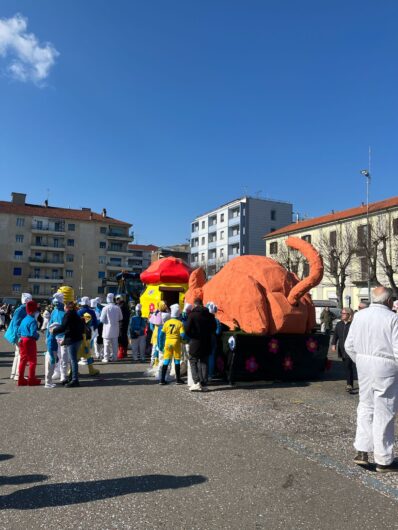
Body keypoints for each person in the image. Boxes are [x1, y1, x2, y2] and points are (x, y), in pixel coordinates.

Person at [345, 286, 398, 473]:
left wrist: (360, 361)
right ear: (389, 301)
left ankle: (362, 451)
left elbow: (348, 345)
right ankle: (383, 459)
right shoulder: (393, 318)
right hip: (386, 366)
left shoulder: (359, 316)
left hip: (363, 365)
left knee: (365, 407)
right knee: (384, 410)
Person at [185, 298, 217, 392]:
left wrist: (193, 336)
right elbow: (214, 328)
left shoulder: (192, 315)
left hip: (195, 341)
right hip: (207, 341)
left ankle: (196, 382)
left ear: (195, 305)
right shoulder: (210, 316)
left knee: (193, 360)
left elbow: (187, 330)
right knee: (204, 362)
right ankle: (204, 383)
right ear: (202, 304)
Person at [52, 301, 84, 388]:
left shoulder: (68, 314)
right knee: (73, 359)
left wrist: (54, 331)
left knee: (73, 360)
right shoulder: (75, 313)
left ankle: (74, 380)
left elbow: (63, 327)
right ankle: (71, 377)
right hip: (77, 338)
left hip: (72, 339)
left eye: (65, 305)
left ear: (67, 307)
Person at [5, 293, 32, 380]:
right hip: (19, 335)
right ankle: (18, 374)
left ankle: (14, 373)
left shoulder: (22, 309)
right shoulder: (21, 310)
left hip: (19, 335)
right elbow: (16, 325)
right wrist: (19, 336)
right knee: (21, 355)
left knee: (18, 354)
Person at [158, 304, 186, 385]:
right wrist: (184, 340)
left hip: (168, 343)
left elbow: (161, 335)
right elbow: (183, 335)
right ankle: (178, 379)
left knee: (166, 360)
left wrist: (160, 345)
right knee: (177, 360)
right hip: (176, 343)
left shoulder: (166, 323)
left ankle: (162, 379)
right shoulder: (180, 323)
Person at [16, 300, 41, 386]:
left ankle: (21, 379)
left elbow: (18, 331)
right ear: (34, 310)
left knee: (23, 360)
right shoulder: (33, 320)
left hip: (22, 339)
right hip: (29, 340)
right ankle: (31, 379)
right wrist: (37, 336)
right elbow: (33, 333)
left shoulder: (24, 319)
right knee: (32, 360)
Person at [331, 308, 355, 393]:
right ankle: (349, 383)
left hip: (352, 349)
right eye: (342, 313)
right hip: (342, 349)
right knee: (346, 366)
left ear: (349, 315)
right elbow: (335, 335)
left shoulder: (353, 324)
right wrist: (333, 344)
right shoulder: (339, 324)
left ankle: (349, 384)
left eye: (344, 313)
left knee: (348, 366)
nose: (342, 314)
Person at [46, 293, 67, 383]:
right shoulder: (54, 311)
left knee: (63, 356)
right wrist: (47, 336)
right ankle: (57, 371)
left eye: (57, 302)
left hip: (63, 337)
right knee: (56, 356)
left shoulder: (65, 312)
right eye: (55, 302)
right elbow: (49, 324)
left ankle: (63, 374)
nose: (56, 304)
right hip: (54, 337)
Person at [100, 293, 123, 363]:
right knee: (115, 344)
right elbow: (121, 318)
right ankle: (115, 357)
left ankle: (106, 358)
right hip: (115, 329)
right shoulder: (117, 307)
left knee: (106, 344)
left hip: (107, 329)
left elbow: (102, 320)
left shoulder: (105, 308)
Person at [116, 295, 130, 359]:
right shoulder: (125, 305)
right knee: (124, 337)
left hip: (121, 324)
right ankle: (124, 352)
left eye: (117, 299)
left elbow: (120, 317)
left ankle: (121, 352)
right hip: (124, 324)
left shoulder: (121, 306)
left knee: (121, 338)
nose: (116, 301)